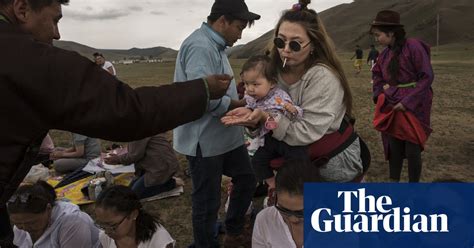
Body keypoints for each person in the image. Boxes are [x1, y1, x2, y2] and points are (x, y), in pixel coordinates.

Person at [0, 0, 231, 246]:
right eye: (55, 20)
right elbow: (127, 111)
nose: (57, 33)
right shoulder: (29, 60)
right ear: (22, 8)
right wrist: (202, 89)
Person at [222, 0, 363, 184]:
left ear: (313, 45)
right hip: (289, 157)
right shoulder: (273, 72)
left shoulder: (322, 77)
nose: (285, 50)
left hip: (330, 161)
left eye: (295, 44)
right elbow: (266, 112)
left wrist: (265, 118)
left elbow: (305, 132)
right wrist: (252, 120)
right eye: (280, 42)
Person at [172, 0, 260, 246]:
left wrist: (238, 99)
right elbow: (206, 99)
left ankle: (232, 230)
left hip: (225, 136)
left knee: (246, 178)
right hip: (205, 141)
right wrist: (240, 104)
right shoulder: (200, 46)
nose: (241, 34)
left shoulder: (216, 45)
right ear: (223, 21)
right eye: (239, 27)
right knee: (206, 202)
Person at [370, 10, 434, 182]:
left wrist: (408, 101)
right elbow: (376, 74)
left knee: (412, 146)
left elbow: (427, 76)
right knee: (394, 144)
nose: (376, 39)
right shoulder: (384, 54)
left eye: (378, 35)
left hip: (415, 103)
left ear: (390, 33)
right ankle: (394, 182)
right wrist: (379, 94)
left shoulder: (413, 47)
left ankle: (413, 186)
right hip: (392, 102)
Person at [238, 55, 302, 188]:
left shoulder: (279, 97)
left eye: (255, 84)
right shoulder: (251, 98)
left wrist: (293, 110)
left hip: (285, 138)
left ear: (272, 82)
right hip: (267, 140)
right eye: (246, 84)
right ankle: (272, 185)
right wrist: (248, 116)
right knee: (257, 162)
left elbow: (295, 116)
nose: (249, 89)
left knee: (296, 159)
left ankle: (293, 185)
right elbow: (253, 122)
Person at [7, 181, 100, 248]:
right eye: (18, 224)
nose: (25, 228)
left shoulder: (72, 221)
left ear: (48, 208)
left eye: (32, 223)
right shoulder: (22, 222)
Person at [252, 159, 320, 248]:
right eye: (283, 210)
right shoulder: (264, 219)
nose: (293, 219)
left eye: (301, 213)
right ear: (274, 196)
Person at [103, 133, 180, 200]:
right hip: (156, 165)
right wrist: (118, 157)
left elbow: (134, 156)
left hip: (161, 168)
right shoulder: (140, 126)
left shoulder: (138, 131)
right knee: (129, 190)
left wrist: (117, 159)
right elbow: (135, 151)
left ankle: (170, 184)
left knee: (133, 195)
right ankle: (164, 181)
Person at [95, 185, 175, 248]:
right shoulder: (105, 237)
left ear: (133, 214)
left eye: (113, 226)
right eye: (103, 225)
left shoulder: (159, 241)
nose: (107, 231)